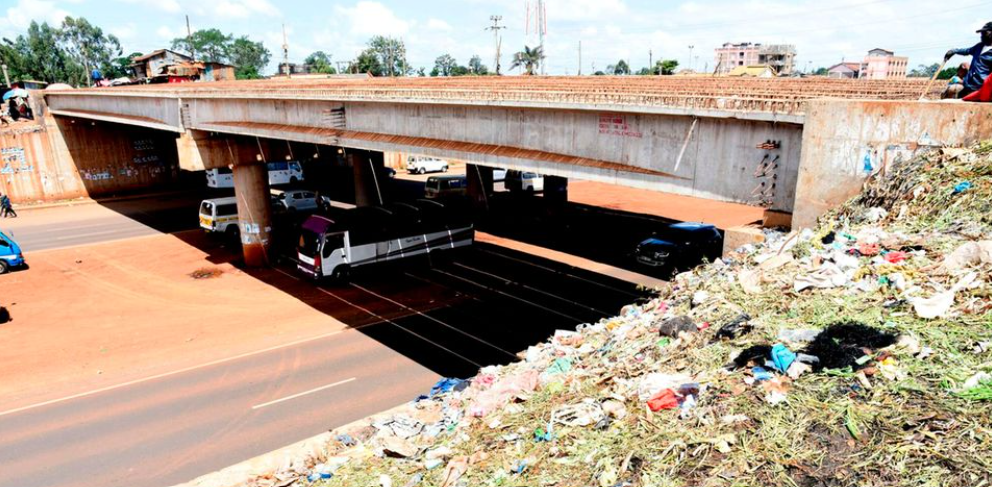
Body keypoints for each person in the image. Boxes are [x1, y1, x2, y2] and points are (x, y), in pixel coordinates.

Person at [945, 22, 992, 98]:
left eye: (984, 33)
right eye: (981, 33)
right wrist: (954, 51)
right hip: (969, 85)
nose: (981, 36)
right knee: (953, 93)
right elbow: (967, 51)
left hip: (981, 87)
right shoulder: (979, 46)